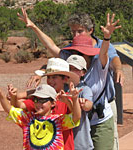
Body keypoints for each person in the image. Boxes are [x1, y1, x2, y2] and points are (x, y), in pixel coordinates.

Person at [18, 9, 124, 150]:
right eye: (73, 32)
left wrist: (107, 39)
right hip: (78, 119)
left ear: (90, 30)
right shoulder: (70, 52)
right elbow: (53, 51)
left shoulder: (99, 57)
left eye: (79, 31)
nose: (76, 35)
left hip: (100, 114)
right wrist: (34, 27)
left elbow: (110, 56)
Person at [0, 78, 81, 150]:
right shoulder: (28, 119)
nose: (38, 104)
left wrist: (75, 99)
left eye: (43, 100)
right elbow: (9, 109)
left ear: (53, 103)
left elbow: (76, 117)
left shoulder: (57, 121)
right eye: (36, 100)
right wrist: (0, 93)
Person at [11, 57, 80, 150]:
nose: (50, 81)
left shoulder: (68, 98)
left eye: (54, 77)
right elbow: (18, 104)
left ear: (65, 79)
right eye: (48, 77)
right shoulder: (40, 99)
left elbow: (76, 116)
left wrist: (69, 101)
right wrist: (15, 95)